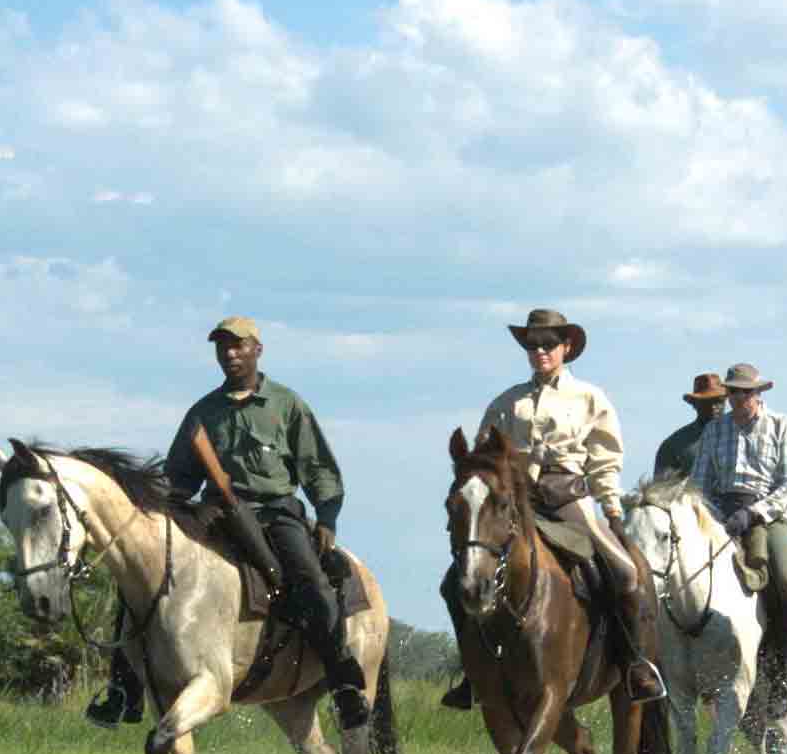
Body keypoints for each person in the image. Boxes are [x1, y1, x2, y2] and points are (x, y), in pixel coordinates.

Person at [85, 315, 370, 731]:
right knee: (143, 579)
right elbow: (179, 479)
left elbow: (319, 467)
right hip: (215, 512)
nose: (230, 354)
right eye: (222, 348)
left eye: (238, 346)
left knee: (311, 578)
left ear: (257, 349)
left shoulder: (286, 404)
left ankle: (343, 682)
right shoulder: (202, 413)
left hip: (275, 511)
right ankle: (122, 689)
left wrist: (326, 516)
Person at [440, 306, 667, 708]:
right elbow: (484, 461)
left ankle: (635, 665)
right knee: (453, 581)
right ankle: (473, 674)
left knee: (626, 572)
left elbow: (605, 459)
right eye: (533, 344)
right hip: (516, 502)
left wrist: (611, 510)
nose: (540, 350)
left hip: (568, 497)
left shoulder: (589, 397)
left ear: (566, 347)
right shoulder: (506, 403)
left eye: (548, 344)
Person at [686, 362, 787, 716]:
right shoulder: (715, 431)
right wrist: (710, 514)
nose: (740, 398)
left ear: (759, 393)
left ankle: (781, 674)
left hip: (768, 517)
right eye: (734, 392)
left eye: (747, 392)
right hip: (721, 511)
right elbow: (699, 482)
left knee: (786, 582)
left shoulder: (784, 427)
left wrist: (753, 513)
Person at [653, 373, 729, 478]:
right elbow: (661, 490)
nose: (714, 407)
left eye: (719, 401)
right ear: (694, 404)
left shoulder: (740, 436)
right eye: (707, 402)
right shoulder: (674, 445)